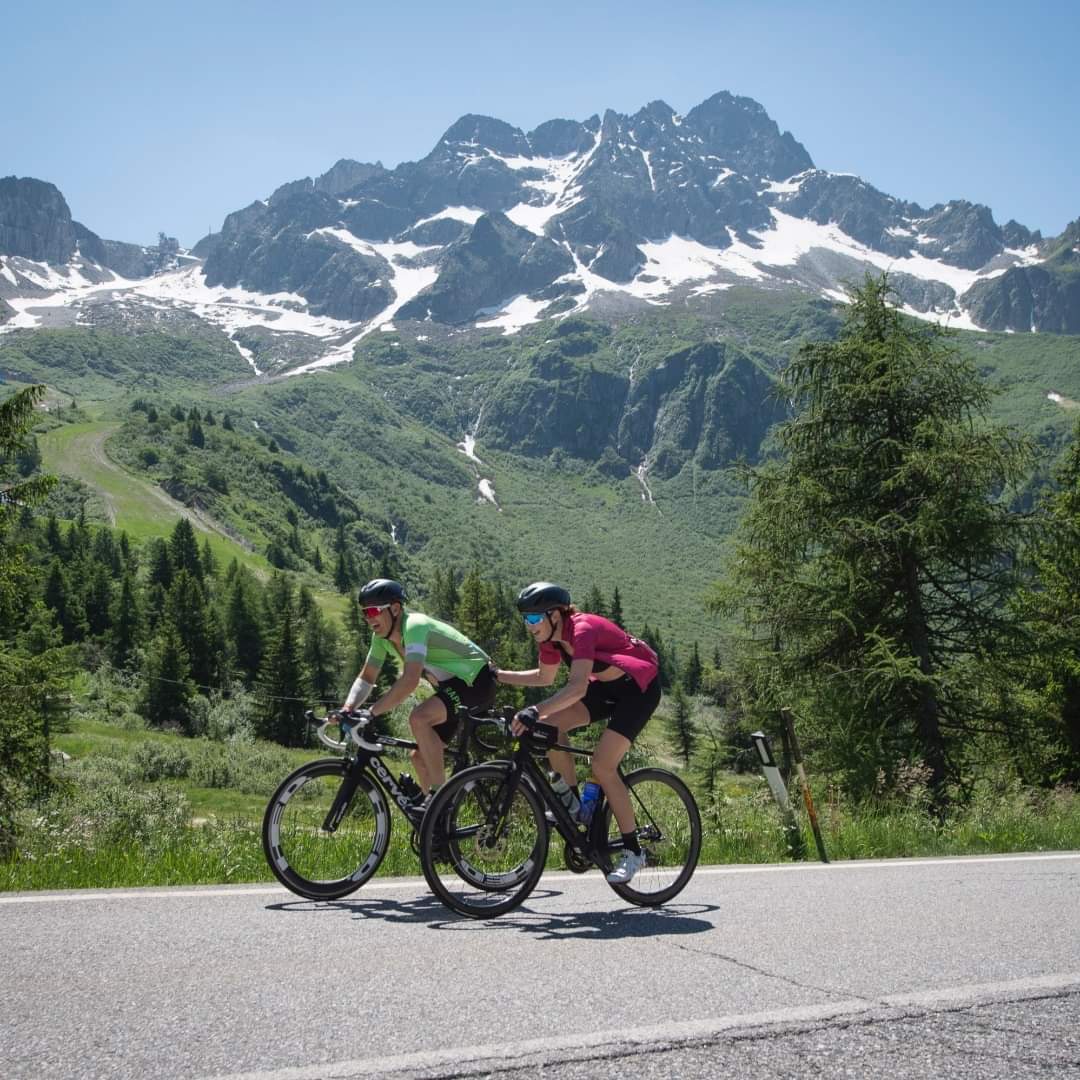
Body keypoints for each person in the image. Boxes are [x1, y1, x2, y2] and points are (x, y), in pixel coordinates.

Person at [494, 582, 660, 885]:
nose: (529, 626)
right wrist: (499, 675)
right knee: (548, 728)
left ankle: (634, 851)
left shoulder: (580, 629)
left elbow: (578, 686)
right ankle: (572, 806)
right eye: (525, 619)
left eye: (533, 618)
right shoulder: (551, 638)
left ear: (555, 615)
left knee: (602, 764)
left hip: (638, 690)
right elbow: (545, 677)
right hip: (607, 689)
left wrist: (534, 710)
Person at [342, 578, 495, 798]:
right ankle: (433, 821)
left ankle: (439, 802)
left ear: (395, 609)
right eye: (365, 612)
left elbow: (410, 680)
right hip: (453, 687)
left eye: (374, 610)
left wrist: (371, 712)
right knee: (419, 757)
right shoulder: (381, 638)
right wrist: (348, 708)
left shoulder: (414, 625)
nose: (369, 618)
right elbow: (367, 677)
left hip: (476, 681)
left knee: (419, 718)